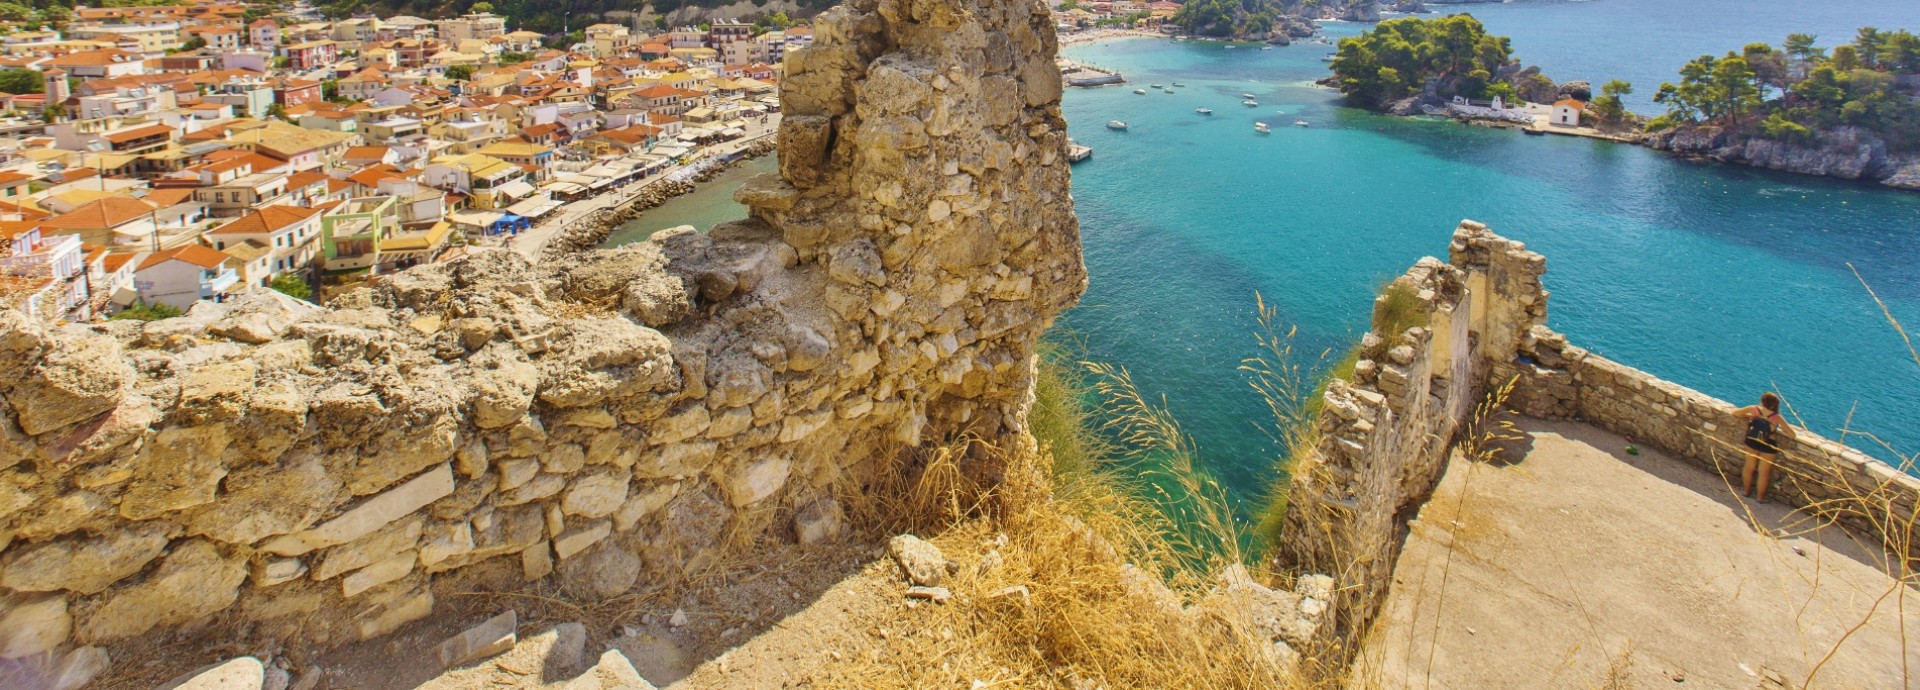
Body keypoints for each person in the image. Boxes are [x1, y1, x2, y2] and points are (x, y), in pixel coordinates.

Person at [1735, 392, 1794, 503]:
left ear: (1762, 401)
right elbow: (1792, 434)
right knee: (1764, 472)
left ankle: (1746, 492)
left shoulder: (1754, 409)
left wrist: (1750, 417)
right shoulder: (1777, 417)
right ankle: (1760, 498)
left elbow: (1735, 413)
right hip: (1768, 444)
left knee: (1749, 467)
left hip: (1752, 441)